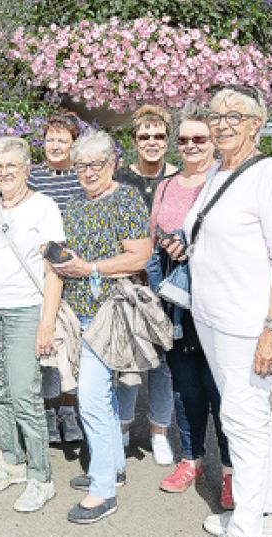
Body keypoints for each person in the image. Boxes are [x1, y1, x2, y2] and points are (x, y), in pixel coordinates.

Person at [162, 86, 272, 537]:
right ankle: (262, 515)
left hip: (250, 323)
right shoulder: (221, 171)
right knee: (251, 418)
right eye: (216, 114)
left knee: (242, 420)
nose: (222, 123)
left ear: (257, 123)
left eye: (234, 115)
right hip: (215, 318)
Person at [0, 136, 64, 513]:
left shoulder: (45, 208)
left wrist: (46, 323)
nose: (3, 172)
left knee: (24, 393)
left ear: (27, 170)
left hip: (24, 311)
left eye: (11, 166)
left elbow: (55, 270)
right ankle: (12, 461)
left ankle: (40, 476)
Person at [49, 130, 150, 523]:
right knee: (100, 399)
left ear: (112, 164)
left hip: (110, 314)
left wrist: (88, 267)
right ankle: (111, 467)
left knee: (91, 399)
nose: (87, 172)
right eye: (81, 165)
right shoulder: (74, 204)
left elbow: (139, 256)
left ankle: (103, 490)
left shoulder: (125, 198)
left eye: (95, 164)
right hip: (79, 317)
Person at [148, 106, 233, 507]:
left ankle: (234, 471)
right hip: (176, 300)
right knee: (185, 385)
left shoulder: (224, 182)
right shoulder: (165, 186)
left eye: (199, 138)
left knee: (222, 388)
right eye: (183, 139)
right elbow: (153, 237)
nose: (190, 146)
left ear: (213, 141)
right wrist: (168, 243)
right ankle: (191, 458)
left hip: (218, 297)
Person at [113, 104, 178, 465]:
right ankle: (122, 427)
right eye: (144, 136)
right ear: (134, 140)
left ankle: (159, 431)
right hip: (130, 281)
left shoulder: (179, 179)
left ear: (167, 139)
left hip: (168, 283)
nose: (151, 142)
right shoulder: (121, 180)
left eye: (158, 136)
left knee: (163, 362)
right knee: (127, 359)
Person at [28, 113, 85, 445]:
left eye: (63, 139)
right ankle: (49, 410)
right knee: (45, 345)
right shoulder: (32, 177)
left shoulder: (81, 177)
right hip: (41, 274)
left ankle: (68, 408)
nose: (55, 144)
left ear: (73, 143)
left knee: (71, 344)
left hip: (74, 271)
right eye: (51, 138)